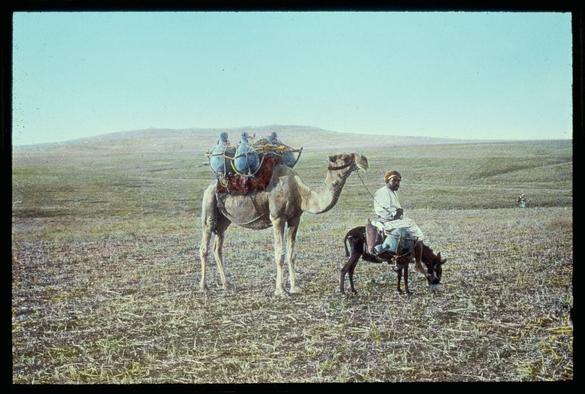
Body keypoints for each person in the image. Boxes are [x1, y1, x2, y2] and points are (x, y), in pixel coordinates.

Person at [372, 170, 425, 273]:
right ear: (388, 180)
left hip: (395, 219)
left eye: (399, 181)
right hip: (387, 221)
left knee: (414, 229)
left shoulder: (392, 192)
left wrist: (399, 213)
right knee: (416, 233)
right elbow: (384, 211)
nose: (397, 183)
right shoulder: (382, 192)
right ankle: (406, 259)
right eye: (394, 180)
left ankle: (414, 259)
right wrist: (397, 214)